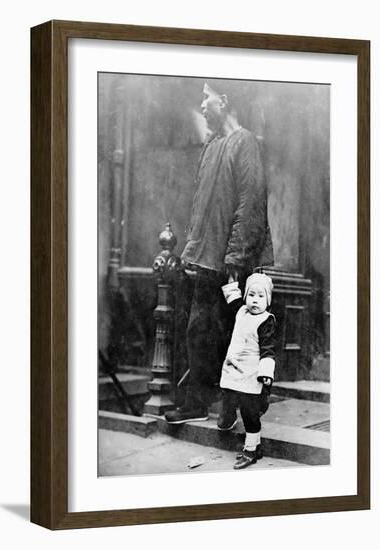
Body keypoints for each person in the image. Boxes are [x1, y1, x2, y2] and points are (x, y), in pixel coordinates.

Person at [165, 81, 273, 424]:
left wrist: (235, 260)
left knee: (235, 338)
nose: (201, 104)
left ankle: (236, 407)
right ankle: (198, 402)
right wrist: (191, 251)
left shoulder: (246, 144)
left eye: (205, 98)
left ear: (224, 101)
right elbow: (201, 207)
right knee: (198, 331)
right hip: (205, 259)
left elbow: (250, 207)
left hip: (230, 264)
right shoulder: (212, 146)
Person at [218, 273, 276, 469]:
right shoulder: (242, 312)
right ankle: (227, 418)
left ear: (267, 300)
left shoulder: (266, 321)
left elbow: (268, 349)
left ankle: (251, 449)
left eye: (261, 296)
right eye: (251, 295)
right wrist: (231, 282)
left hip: (252, 374)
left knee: (250, 412)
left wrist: (266, 373)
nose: (255, 300)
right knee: (229, 396)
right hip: (234, 370)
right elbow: (234, 300)